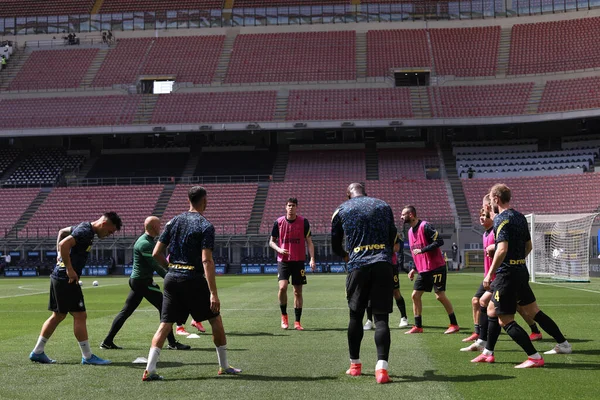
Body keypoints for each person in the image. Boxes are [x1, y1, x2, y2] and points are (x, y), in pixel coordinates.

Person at [142, 186, 241, 381]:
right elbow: (207, 261)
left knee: (165, 325)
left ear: (189, 200)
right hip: (193, 279)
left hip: (172, 279)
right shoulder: (206, 226)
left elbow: (156, 253)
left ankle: (150, 370)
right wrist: (213, 292)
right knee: (215, 320)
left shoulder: (173, 221)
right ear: (204, 201)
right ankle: (224, 366)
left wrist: (171, 267)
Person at [471, 184, 571, 368]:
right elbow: (529, 247)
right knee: (528, 311)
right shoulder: (519, 217)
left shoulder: (501, 218)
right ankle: (563, 344)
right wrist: (517, 260)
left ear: (495, 199)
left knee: (505, 319)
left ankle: (534, 356)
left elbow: (502, 249)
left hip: (506, 275)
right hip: (520, 271)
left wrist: (490, 273)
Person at [29, 212, 122, 365]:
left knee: (58, 316)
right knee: (80, 315)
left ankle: (37, 352)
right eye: (110, 231)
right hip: (67, 278)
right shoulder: (85, 231)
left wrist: (60, 257)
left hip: (59, 276)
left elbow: (62, 232)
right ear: (104, 224)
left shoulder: (84, 227)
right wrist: (69, 269)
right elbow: (63, 244)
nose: (109, 235)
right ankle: (87, 357)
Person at [332, 183, 397, 384]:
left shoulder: (342, 209)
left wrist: (346, 255)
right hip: (382, 264)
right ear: (365, 192)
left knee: (355, 316)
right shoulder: (383, 206)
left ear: (348, 194)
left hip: (358, 266)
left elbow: (335, 244)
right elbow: (393, 237)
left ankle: (355, 366)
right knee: (381, 319)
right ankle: (382, 369)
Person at [461, 195, 541, 351]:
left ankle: (534, 347)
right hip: (498, 273)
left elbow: (505, 249)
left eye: (486, 207)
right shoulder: (488, 231)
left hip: (502, 274)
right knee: (485, 304)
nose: (484, 211)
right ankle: (484, 343)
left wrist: (498, 259)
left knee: (501, 309)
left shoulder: (500, 224)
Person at [100, 216, 190, 351]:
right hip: (142, 282)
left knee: (126, 311)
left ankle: (107, 341)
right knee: (165, 308)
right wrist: (171, 278)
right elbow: (156, 265)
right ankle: (172, 343)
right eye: (159, 226)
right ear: (153, 227)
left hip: (139, 281)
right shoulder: (145, 244)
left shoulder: (146, 241)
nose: (160, 228)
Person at [401, 206, 459, 335]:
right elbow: (416, 252)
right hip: (423, 269)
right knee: (415, 296)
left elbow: (439, 241)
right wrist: (413, 269)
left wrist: (422, 250)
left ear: (411, 215)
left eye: (403, 214)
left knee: (439, 296)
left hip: (436, 266)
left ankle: (454, 324)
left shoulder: (425, 226)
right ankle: (418, 326)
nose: (401, 217)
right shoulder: (410, 231)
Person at [269, 197, 316, 331]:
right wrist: (279, 249)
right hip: (283, 261)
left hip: (298, 261)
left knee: (297, 292)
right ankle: (284, 316)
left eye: (293, 205)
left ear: (297, 207)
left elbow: (309, 242)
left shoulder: (304, 222)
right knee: (282, 287)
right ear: (285, 207)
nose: (291, 207)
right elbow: (271, 241)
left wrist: (312, 259)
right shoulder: (278, 222)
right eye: (289, 205)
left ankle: (297, 322)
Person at [364, 240, 408, 330]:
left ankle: (403, 317)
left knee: (395, 291)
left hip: (390, 264)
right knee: (369, 292)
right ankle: (369, 320)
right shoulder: (369, 231)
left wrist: (380, 249)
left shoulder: (388, 229)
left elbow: (396, 248)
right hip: (372, 264)